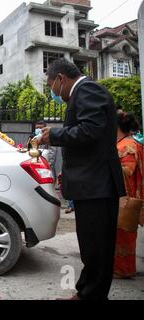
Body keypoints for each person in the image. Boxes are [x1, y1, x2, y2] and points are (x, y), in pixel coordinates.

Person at [37, 59, 126, 300]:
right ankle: (86, 292)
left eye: (50, 85)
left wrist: (54, 135)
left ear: (60, 79)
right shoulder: (84, 92)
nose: (52, 92)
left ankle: (91, 296)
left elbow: (90, 130)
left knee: (97, 247)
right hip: (92, 184)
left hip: (97, 185)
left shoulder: (88, 90)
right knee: (92, 246)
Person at [114, 111, 143, 279]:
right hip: (122, 196)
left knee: (123, 233)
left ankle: (122, 270)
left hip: (125, 198)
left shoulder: (127, 146)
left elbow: (127, 171)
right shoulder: (124, 143)